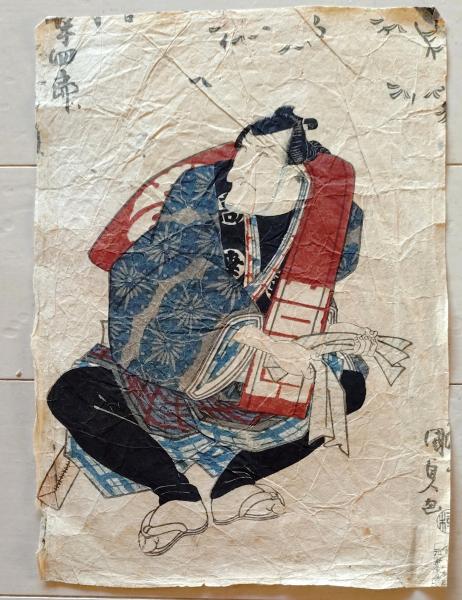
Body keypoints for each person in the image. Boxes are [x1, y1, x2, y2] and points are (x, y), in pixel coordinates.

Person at [47, 106, 370, 556]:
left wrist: (314, 336)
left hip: (272, 371)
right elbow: (151, 270)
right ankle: (174, 494)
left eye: (262, 158)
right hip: (182, 360)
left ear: (294, 173)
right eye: (244, 153)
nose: (242, 168)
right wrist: (253, 338)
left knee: (347, 386)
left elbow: (330, 277)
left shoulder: (330, 213)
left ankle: (236, 482)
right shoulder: (201, 189)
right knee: (72, 393)